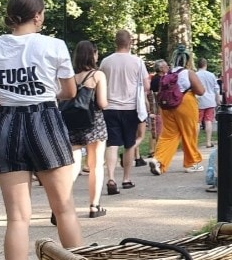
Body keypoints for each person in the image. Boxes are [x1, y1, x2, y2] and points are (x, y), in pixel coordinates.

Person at [0, 0, 84, 260]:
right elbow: (69, 91)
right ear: (37, 16)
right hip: (45, 121)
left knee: (17, 217)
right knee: (64, 209)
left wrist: (6, 97)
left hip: (6, 124)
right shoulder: (53, 45)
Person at [99, 29, 148, 192]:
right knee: (129, 144)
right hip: (130, 108)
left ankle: (111, 178)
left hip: (110, 108)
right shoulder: (137, 62)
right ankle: (126, 179)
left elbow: (100, 82)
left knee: (112, 144)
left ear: (115, 42)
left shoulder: (106, 62)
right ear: (130, 42)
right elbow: (146, 85)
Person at [66, 40, 110, 217]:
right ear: (93, 55)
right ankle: (94, 206)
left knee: (73, 165)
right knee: (96, 165)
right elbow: (102, 103)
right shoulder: (97, 75)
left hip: (72, 123)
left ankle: (60, 205)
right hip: (94, 123)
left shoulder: (70, 76)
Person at [148, 47, 206, 175]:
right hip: (185, 104)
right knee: (189, 133)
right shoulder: (188, 73)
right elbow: (201, 91)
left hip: (167, 106)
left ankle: (158, 160)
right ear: (187, 61)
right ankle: (191, 163)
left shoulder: (167, 74)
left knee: (168, 135)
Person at [195, 57, 220, 148]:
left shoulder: (195, 75)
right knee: (208, 121)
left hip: (199, 100)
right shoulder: (211, 75)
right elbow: (216, 88)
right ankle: (208, 142)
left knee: (197, 121)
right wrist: (217, 100)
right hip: (210, 100)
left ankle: (194, 142)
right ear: (205, 65)